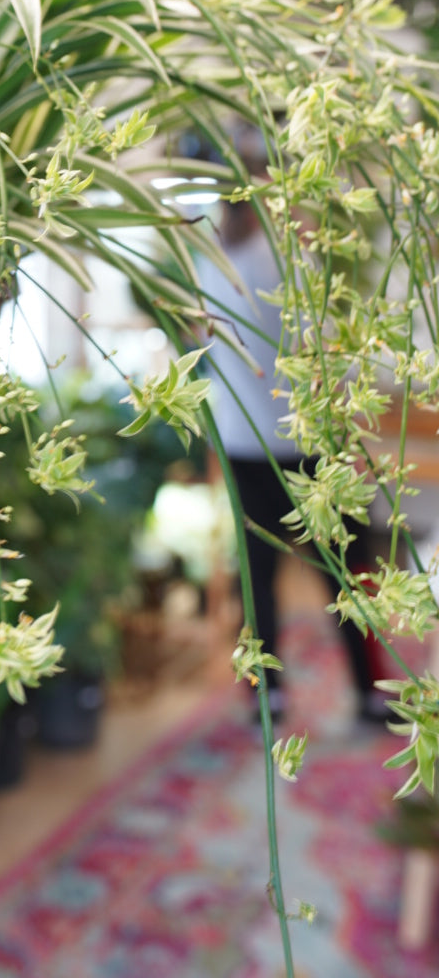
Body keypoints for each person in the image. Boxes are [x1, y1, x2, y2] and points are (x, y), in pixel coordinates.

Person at [195, 150, 381, 724]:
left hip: (243, 439)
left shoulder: (214, 263)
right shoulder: (287, 265)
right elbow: (322, 354)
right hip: (305, 444)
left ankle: (265, 698)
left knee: (261, 577)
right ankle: (370, 688)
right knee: (347, 574)